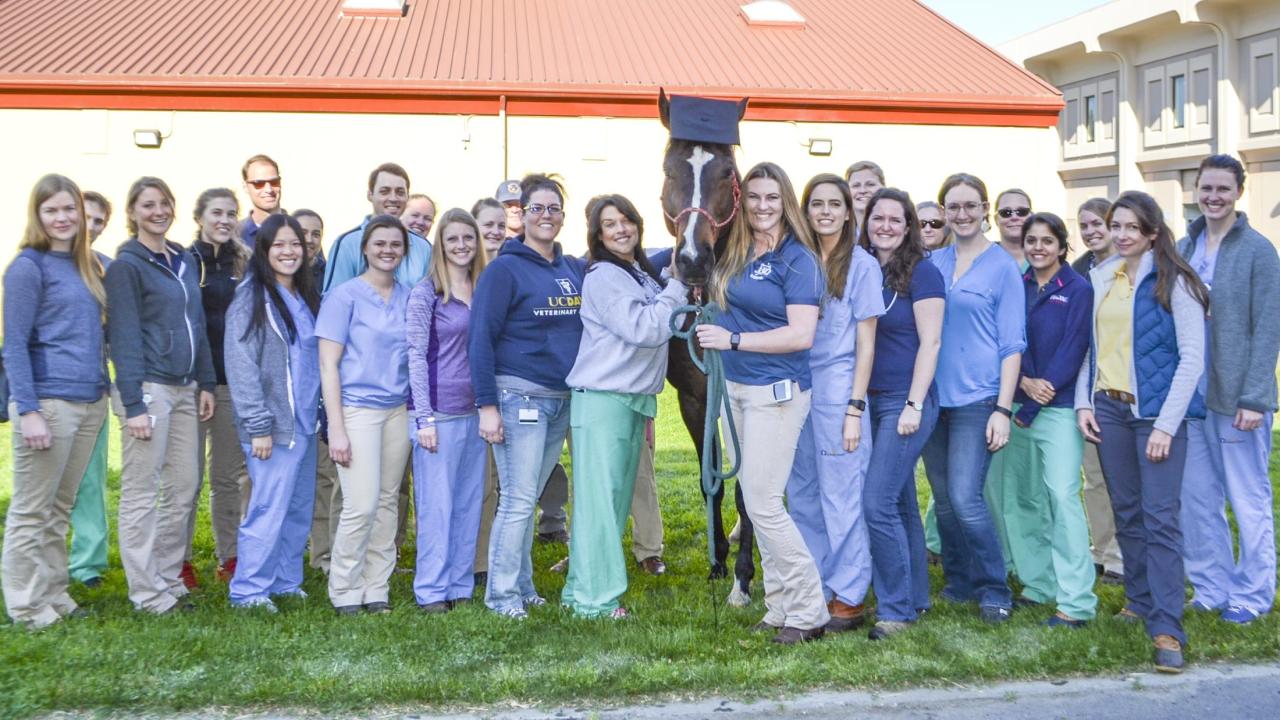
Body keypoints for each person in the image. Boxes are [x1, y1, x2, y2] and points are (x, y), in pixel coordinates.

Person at [695, 161, 829, 644]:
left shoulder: (799, 260)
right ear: (741, 200)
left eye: (772, 197)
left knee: (764, 502)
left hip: (778, 393)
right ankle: (779, 607)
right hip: (735, 391)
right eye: (753, 196)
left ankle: (810, 609)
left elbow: (801, 334)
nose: (762, 206)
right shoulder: (736, 251)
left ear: (785, 201)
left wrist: (732, 342)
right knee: (756, 501)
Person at [1075, 190, 1208, 673]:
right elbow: (1091, 346)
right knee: (1127, 511)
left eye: (1133, 227)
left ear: (1152, 232)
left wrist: (1166, 426)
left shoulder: (1177, 282)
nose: (1122, 234)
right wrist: (1082, 403)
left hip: (1155, 416)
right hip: (1108, 410)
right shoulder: (1100, 278)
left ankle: (1168, 626)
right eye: (1117, 225)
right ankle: (1139, 598)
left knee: (1160, 518)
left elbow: (1192, 359)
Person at [560, 194, 686, 618]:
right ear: (596, 234)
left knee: (609, 506)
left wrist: (671, 280)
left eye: (626, 220)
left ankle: (580, 592)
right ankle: (597, 602)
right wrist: (679, 286)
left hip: (630, 399)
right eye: (609, 224)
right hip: (603, 400)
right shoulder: (603, 276)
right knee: (599, 507)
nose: (620, 229)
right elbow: (645, 328)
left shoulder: (636, 272)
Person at [470, 173, 586, 619]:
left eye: (554, 208)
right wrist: (487, 407)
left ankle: (522, 586)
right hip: (519, 397)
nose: (546, 216)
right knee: (518, 499)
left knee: (529, 494)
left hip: (559, 398)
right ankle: (500, 597)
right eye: (536, 208)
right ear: (522, 215)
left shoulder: (570, 268)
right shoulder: (504, 269)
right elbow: (480, 338)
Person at [2, 174, 110, 628]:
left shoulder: (87, 266)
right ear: (38, 215)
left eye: (69, 210)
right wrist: (28, 410)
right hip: (47, 403)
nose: (63, 218)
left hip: (89, 402)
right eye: (52, 211)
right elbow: (14, 344)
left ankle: (52, 591)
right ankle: (26, 605)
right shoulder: (28, 266)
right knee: (32, 509)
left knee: (60, 506)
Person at [105, 176, 217, 614]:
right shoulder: (126, 267)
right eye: (148, 205)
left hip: (187, 387)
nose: (158, 211)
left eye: (164, 204)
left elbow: (199, 326)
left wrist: (206, 381)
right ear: (132, 212)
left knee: (185, 487)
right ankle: (146, 591)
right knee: (141, 491)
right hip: (149, 388)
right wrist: (133, 403)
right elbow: (124, 336)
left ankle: (169, 579)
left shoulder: (184, 261)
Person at [1178, 154, 1280, 625]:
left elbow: (1269, 328)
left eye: (1222, 189)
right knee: (1197, 498)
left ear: (1239, 192)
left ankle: (1253, 594)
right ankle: (1211, 586)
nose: (1213, 197)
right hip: (1190, 396)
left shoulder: (1258, 250)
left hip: (1237, 395)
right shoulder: (1185, 244)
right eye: (1206, 188)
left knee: (1247, 497)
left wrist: (1256, 398)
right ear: (1195, 191)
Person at [785, 173, 884, 632]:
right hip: (795, 390)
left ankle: (849, 592)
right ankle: (817, 585)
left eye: (834, 204)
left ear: (849, 212)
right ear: (805, 212)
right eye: (816, 204)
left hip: (838, 391)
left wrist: (854, 409)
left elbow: (867, 344)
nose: (825, 211)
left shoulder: (861, 265)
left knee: (842, 495)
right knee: (803, 495)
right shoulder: (798, 261)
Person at [922, 172, 1023, 624]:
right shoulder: (934, 263)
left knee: (966, 498)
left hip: (978, 399)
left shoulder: (1002, 266)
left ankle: (994, 587)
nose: (961, 214)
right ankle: (959, 583)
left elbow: (1012, 344)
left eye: (970, 205)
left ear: (985, 209)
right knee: (943, 500)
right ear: (943, 212)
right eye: (953, 206)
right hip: (933, 399)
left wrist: (1002, 408)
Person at [999, 212, 1097, 627]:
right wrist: (1021, 384)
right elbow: (1003, 342)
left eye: (1047, 241)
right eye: (1031, 241)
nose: (1038, 248)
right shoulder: (1015, 285)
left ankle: (1076, 602)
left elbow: (1073, 351)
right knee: (1021, 499)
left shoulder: (1077, 289)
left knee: (1061, 498)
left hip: (1055, 408)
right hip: (1018, 402)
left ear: (1062, 245)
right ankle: (1040, 584)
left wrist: (1037, 399)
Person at [223, 213, 321, 611]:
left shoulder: (302, 296)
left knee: (297, 508)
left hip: (305, 425)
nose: (288, 251)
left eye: (294, 244)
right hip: (273, 427)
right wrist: (258, 425)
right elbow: (241, 363)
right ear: (263, 250)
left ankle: (284, 580)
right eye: (278, 244)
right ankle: (248, 590)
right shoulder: (252, 297)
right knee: (267, 509)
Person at [316, 215, 413, 614]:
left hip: (398, 411)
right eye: (380, 244)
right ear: (365, 249)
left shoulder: (410, 296)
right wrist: (336, 429)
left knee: (388, 500)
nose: (387, 250)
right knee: (361, 504)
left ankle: (377, 587)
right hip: (357, 411)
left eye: (395, 244)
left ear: (404, 250)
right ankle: (344, 588)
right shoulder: (344, 297)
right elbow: (327, 366)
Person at [861, 187, 944, 640]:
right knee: (899, 501)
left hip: (905, 401)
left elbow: (930, 343)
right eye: (878, 218)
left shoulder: (923, 273)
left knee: (876, 502)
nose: (886, 226)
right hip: (869, 399)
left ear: (908, 226)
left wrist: (913, 403)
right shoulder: (862, 267)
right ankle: (915, 596)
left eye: (896, 219)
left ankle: (895, 610)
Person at [406, 208, 489, 612]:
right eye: (453, 238)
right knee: (437, 507)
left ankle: (459, 585)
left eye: (468, 238)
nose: (461, 245)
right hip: (438, 413)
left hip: (477, 413)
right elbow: (415, 356)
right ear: (441, 244)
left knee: (469, 502)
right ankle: (431, 591)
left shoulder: (484, 289)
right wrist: (423, 417)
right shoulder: (427, 293)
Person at [185, 188, 252, 586]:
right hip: (192, 384)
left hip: (231, 384)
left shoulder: (244, 263)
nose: (224, 220)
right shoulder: (185, 261)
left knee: (228, 477)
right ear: (200, 217)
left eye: (231, 213)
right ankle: (180, 558)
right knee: (187, 478)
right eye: (216, 213)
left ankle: (230, 556)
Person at [1070, 198, 1124, 585]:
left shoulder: (1130, 267)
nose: (1091, 231)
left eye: (1098, 223)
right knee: (1093, 478)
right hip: (1087, 388)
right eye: (1084, 225)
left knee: (1120, 478)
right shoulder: (1078, 272)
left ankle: (1122, 558)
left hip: (1119, 386)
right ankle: (1102, 551)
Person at [66, 190, 114, 588]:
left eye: (100, 221)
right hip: (53, 394)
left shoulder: (107, 269)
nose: (93, 227)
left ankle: (87, 564)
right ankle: (38, 566)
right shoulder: (40, 264)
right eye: (88, 217)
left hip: (96, 390)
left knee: (91, 479)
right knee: (49, 485)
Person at [293, 208, 339, 573]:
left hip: (321, 390)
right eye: (302, 233)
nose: (309, 240)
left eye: (315, 234)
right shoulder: (275, 281)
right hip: (286, 394)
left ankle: (323, 556)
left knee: (326, 478)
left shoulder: (329, 280)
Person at [322, 162, 432, 292]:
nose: (393, 198)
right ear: (370, 195)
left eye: (400, 192)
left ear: (407, 197)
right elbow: (334, 302)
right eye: (385, 191)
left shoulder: (423, 248)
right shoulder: (347, 243)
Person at [239, 154, 283, 247]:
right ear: (245, 187)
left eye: (274, 182)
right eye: (259, 184)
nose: (269, 190)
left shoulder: (301, 230)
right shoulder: (235, 236)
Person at [844, 160, 884, 238]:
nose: (862, 190)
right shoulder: (838, 236)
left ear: (883, 187)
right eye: (856, 185)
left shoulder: (895, 232)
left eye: (870, 184)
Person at [993, 189, 1032, 265]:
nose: (1014, 217)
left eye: (1022, 211)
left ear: (1032, 216)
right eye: (1006, 212)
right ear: (996, 219)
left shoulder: (1047, 259)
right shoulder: (981, 258)